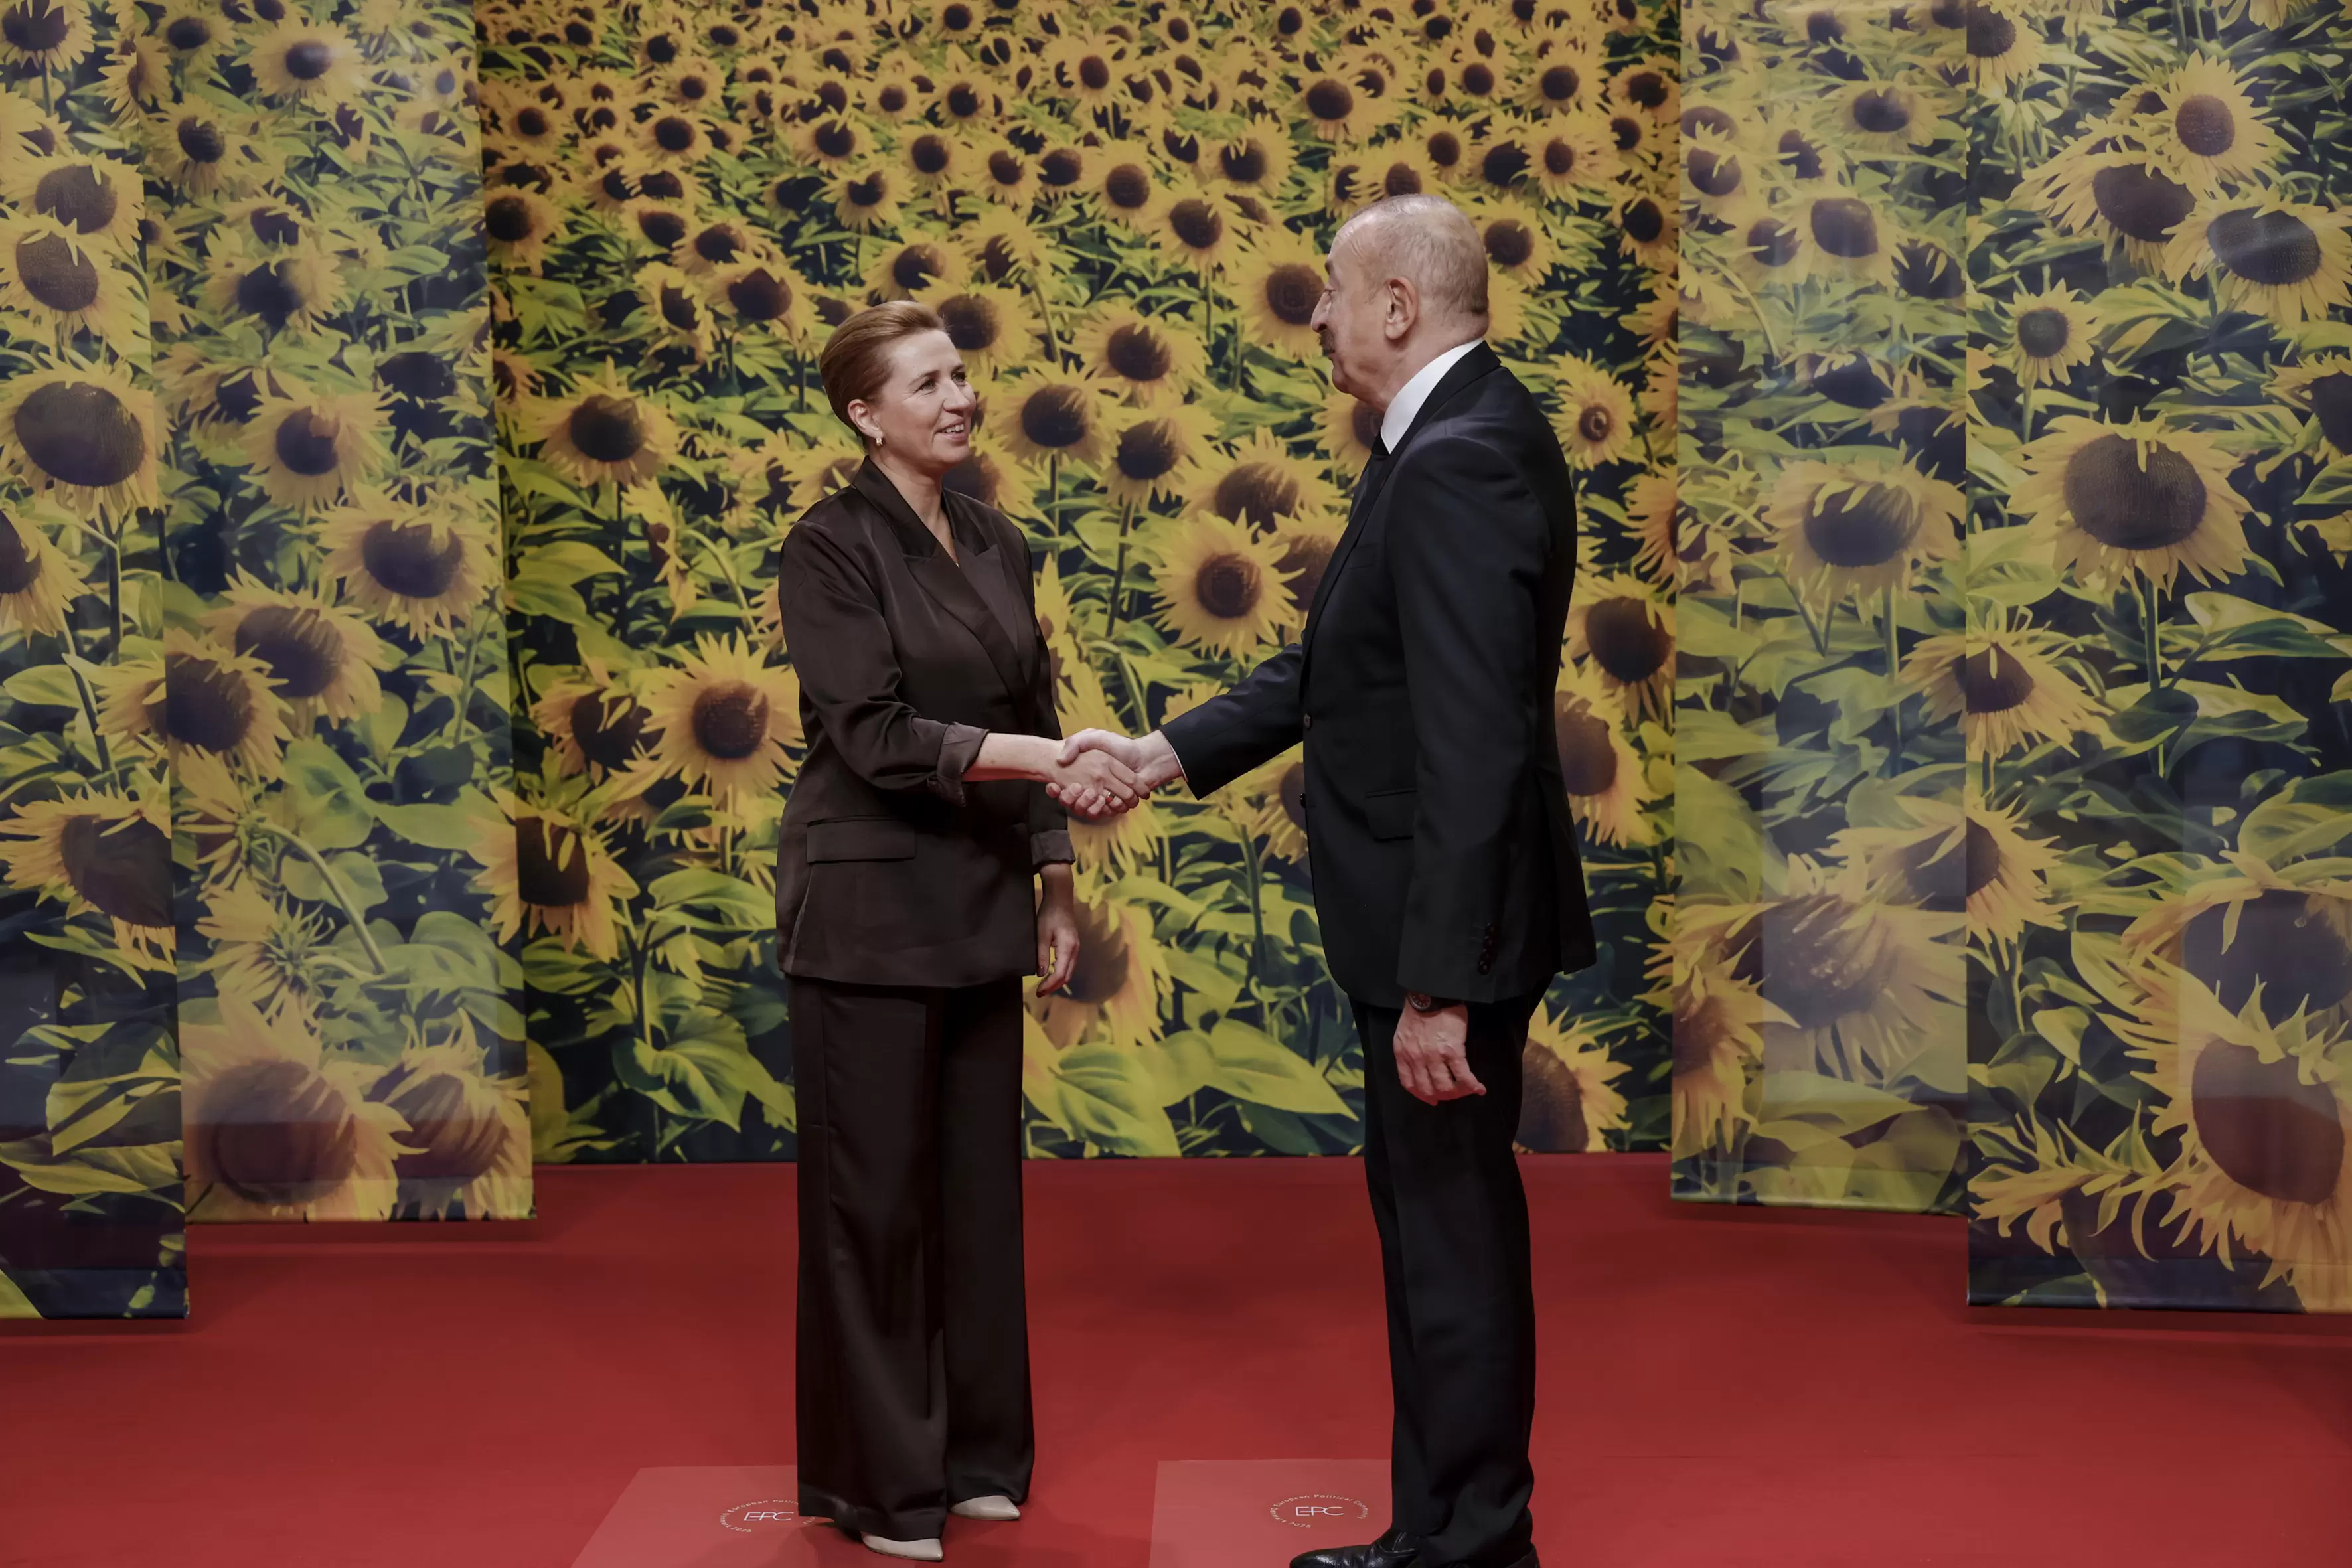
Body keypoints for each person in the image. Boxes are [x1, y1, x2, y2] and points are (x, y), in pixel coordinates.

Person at [1055, 195, 1594, 1568]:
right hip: (1439, 917)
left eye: (1336, 293)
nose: (1317, 316)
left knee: (1448, 1235)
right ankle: (1441, 1528)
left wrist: (1438, 985)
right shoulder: (1450, 438)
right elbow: (1340, 671)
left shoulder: (1459, 456)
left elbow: (1470, 743)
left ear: (1400, 305)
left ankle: (1470, 1541)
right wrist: (1162, 752)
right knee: (1430, 1228)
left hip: (1443, 933)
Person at [774, 300, 1140, 1563]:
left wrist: (1053, 880)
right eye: (926, 381)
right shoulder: (825, 546)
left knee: (977, 1197)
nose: (959, 396)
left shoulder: (997, 537)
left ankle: (978, 1455)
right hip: (868, 910)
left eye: (961, 373)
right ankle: (882, 1486)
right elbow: (869, 733)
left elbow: (1032, 699)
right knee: (875, 1203)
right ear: (864, 413)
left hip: (983, 900)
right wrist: (1055, 759)